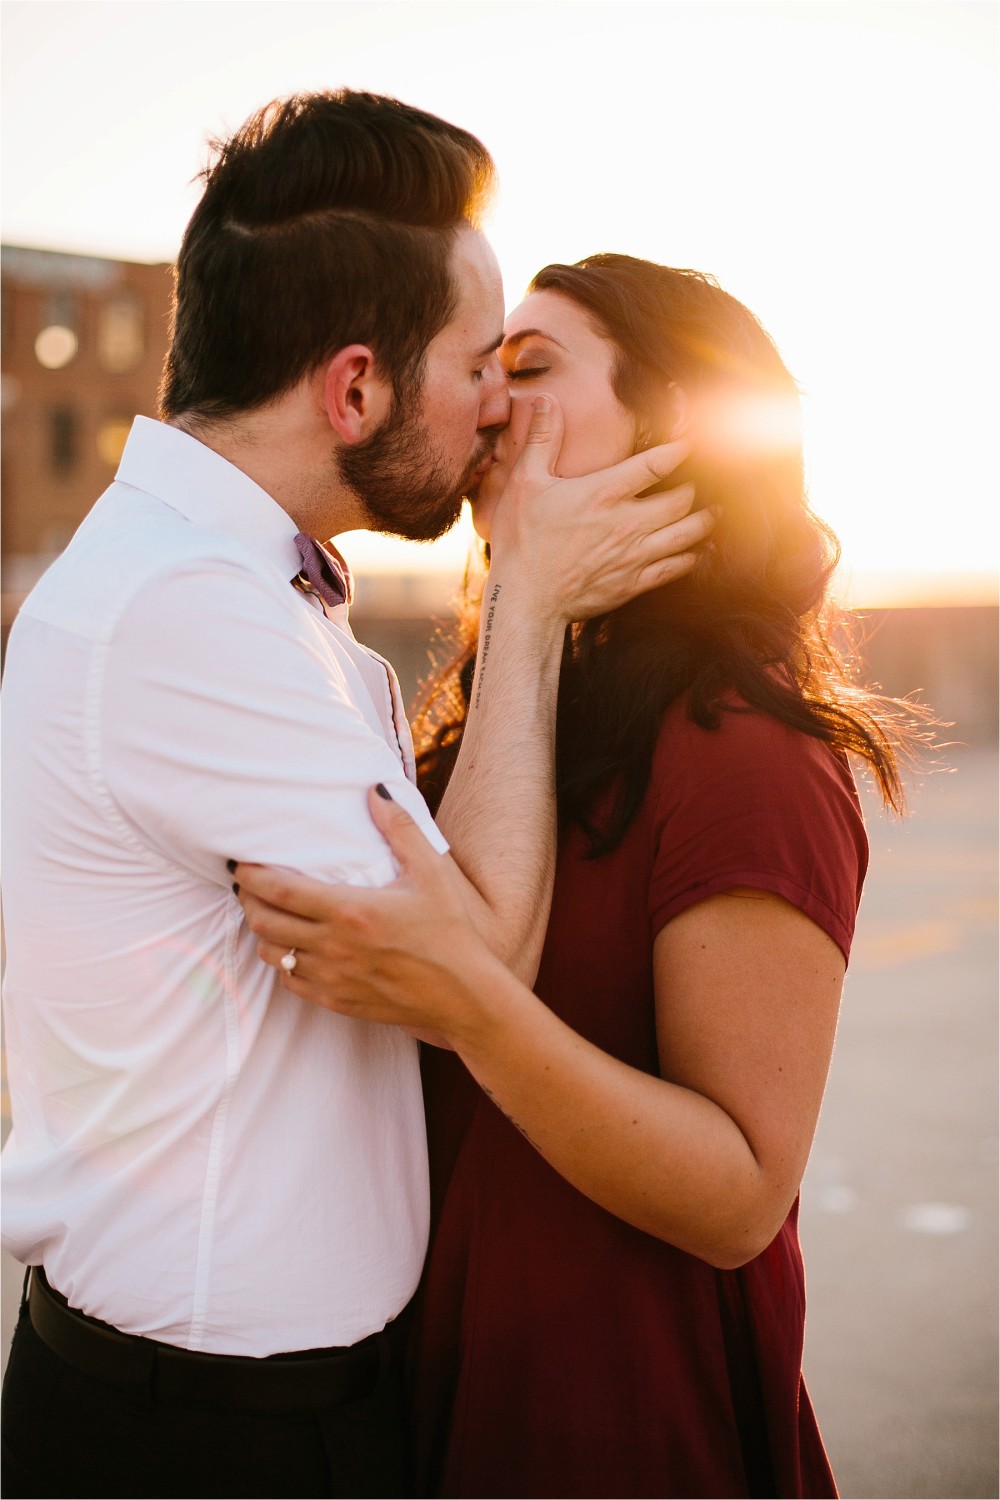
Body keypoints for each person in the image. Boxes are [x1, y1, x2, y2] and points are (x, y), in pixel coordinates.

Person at [0, 94, 711, 1500]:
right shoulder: (183, 612)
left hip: (255, 1414)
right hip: (207, 1441)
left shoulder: (256, 594)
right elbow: (479, 958)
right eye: (475, 363)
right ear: (354, 389)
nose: (500, 403)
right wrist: (532, 601)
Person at [233, 254, 933, 1498]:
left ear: (675, 430)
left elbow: (737, 1195)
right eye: (487, 370)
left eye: (536, 369)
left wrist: (469, 1003)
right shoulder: (493, 725)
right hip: (419, 1396)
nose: (489, 405)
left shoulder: (745, 752)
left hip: (614, 1419)